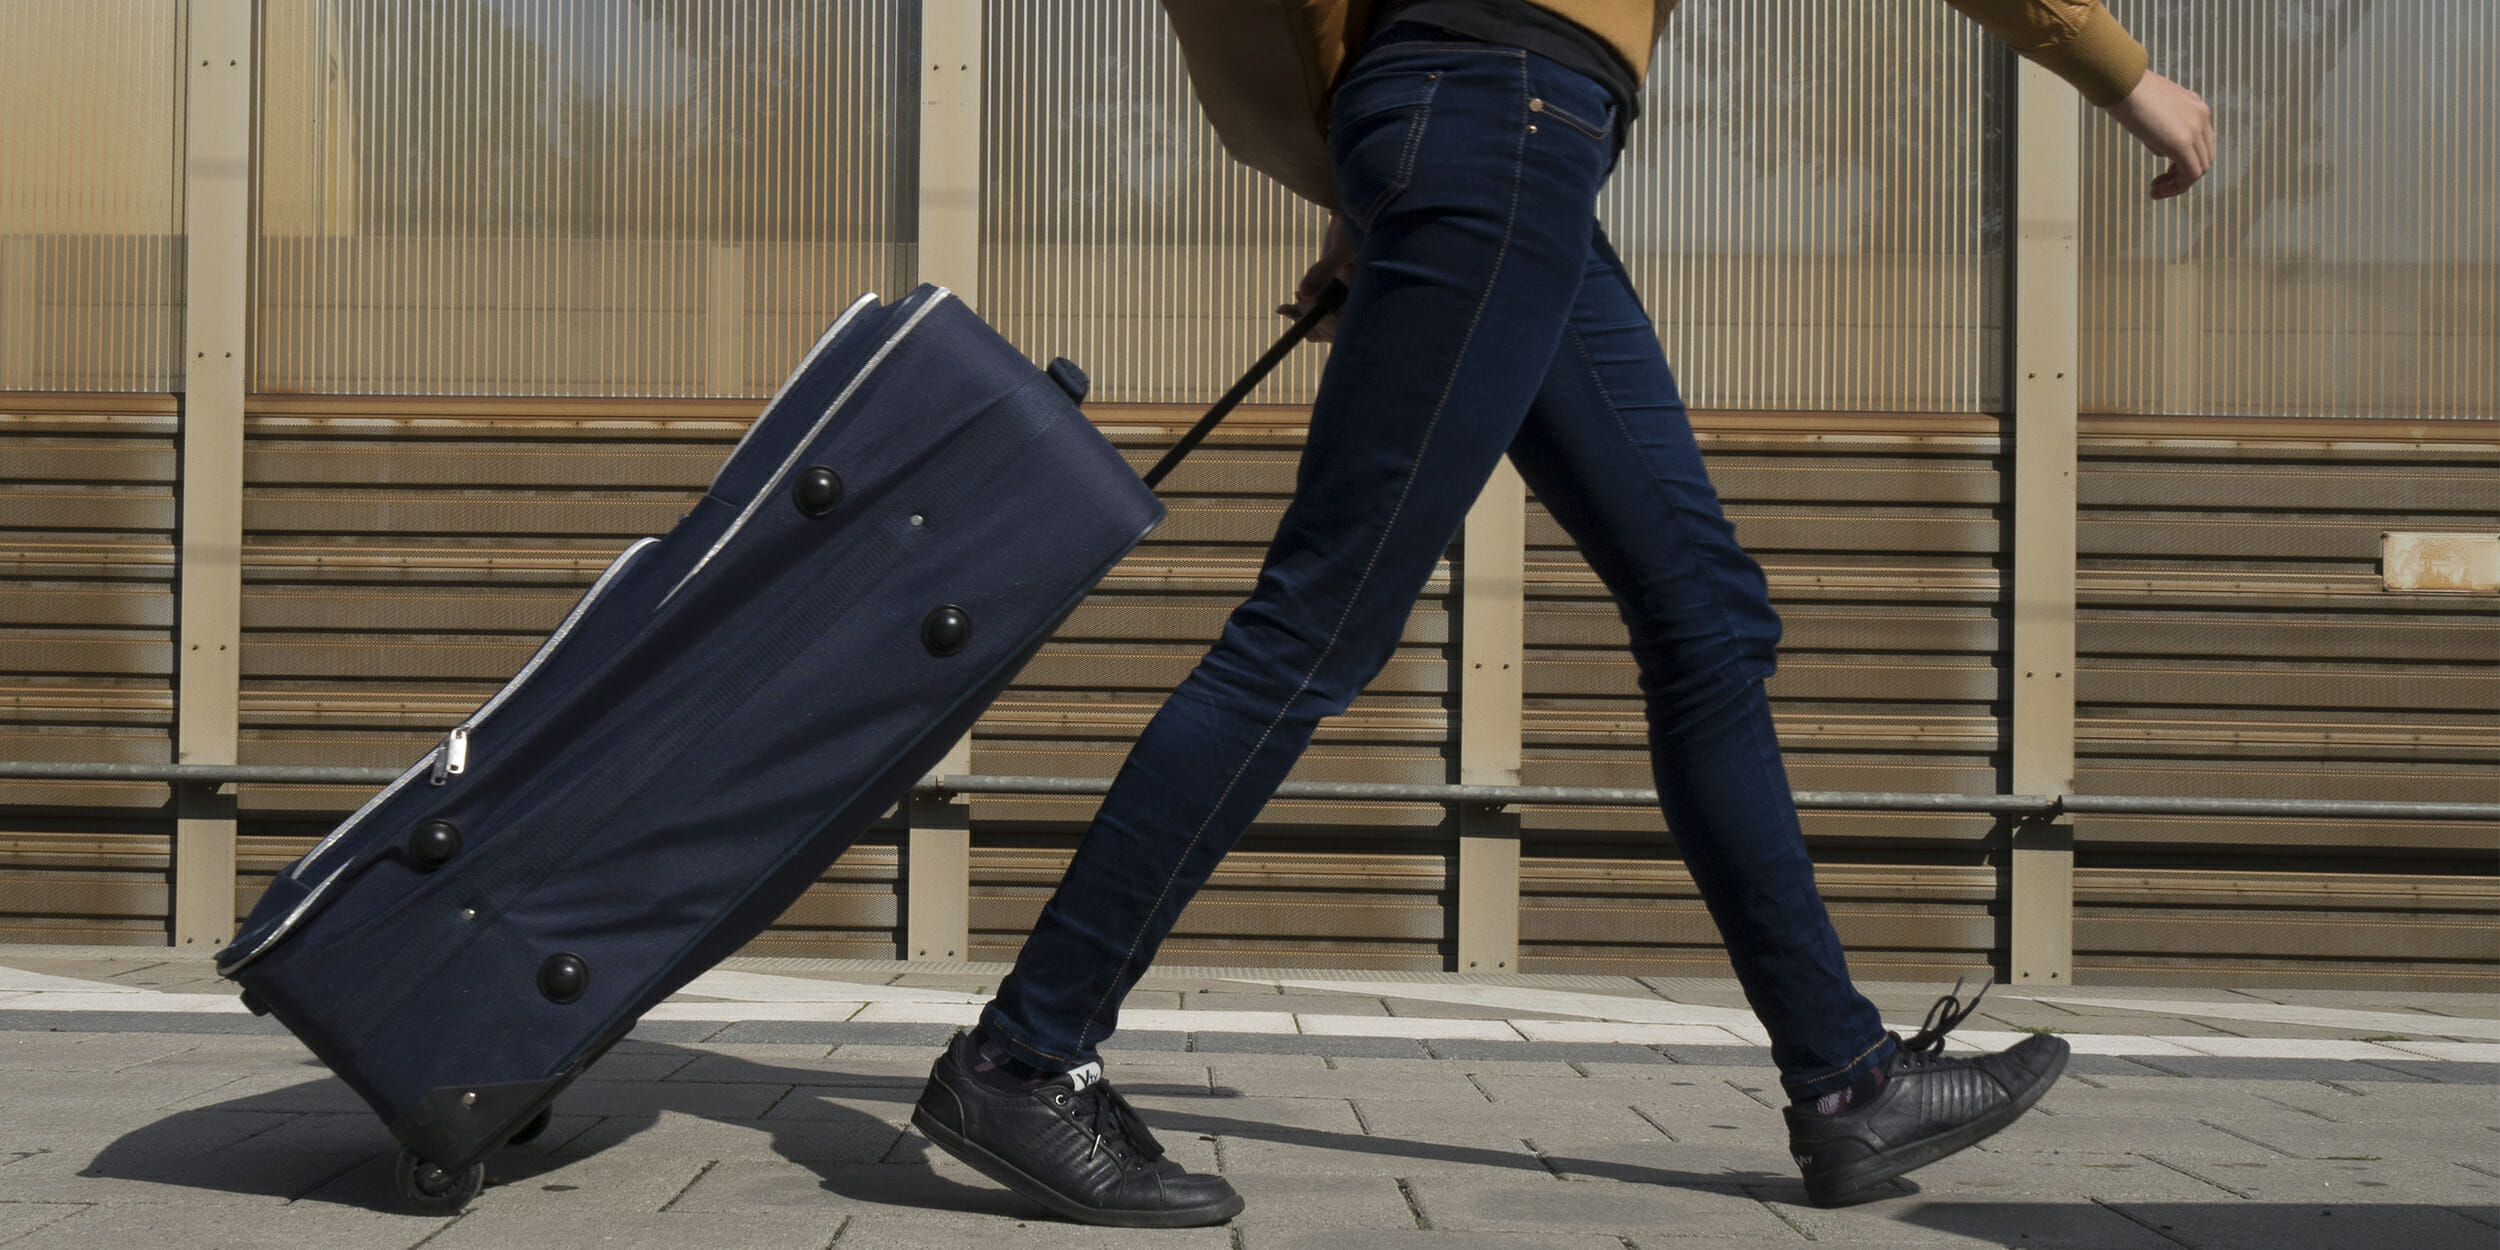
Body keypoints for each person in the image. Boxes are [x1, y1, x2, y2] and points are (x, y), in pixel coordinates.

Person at [911, 0, 2215, 1227]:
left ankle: (1847, 1081)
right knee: (1314, 625)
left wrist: (1372, 174)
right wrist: (2122, 72)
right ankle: (1026, 1056)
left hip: (1501, 132)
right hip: (1506, 114)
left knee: (1705, 616)